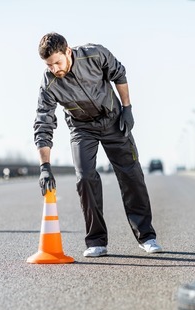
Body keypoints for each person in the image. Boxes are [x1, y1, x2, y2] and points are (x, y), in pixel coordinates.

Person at [34, 32, 163, 257]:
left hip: (113, 120)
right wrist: (45, 167)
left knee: (131, 175)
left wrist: (127, 108)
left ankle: (147, 236)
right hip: (81, 128)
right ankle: (96, 241)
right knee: (85, 177)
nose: (55, 69)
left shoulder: (94, 54)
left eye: (57, 62)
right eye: (49, 65)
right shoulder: (49, 82)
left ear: (68, 52)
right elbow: (43, 123)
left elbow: (119, 73)